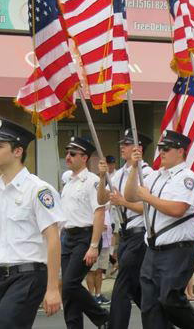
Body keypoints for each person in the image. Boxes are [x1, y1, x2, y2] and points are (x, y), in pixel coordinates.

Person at [0, 119, 64, 328]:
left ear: (17, 151)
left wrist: (53, 288)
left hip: (29, 276)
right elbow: (8, 236)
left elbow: (53, 240)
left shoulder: (38, 190)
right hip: (1, 277)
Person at [124, 130, 194, 329]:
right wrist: (134, 167)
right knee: (150, 307)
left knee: (170, 299)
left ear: (180, 152)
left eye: (167, 149)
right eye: (160, 148)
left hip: (177, 250)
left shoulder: (186, 177)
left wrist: (148, 197)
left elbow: (177, 209)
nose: (161, 152)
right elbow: (130, 195)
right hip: (154, 250)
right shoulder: (156, 176)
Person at [97, 128, 153, 329]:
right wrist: (103, 176)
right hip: (125, 236)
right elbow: (101, 200)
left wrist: (123, 202)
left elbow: (147, 207)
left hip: (139, 235)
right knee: (137, 289)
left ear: (138, 149)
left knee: (121, 286)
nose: (122, 146)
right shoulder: (119, 173)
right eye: (122, 143)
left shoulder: (147, 173)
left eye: (127, 144)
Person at [59, 136, 109, 329]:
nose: (67, 157)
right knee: (68, 291)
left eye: (72, 154)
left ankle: (103, 317)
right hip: (67, 236)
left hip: (84, 237)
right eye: (67, 153)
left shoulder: (93, 181)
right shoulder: (67, 180)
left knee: (70, 284)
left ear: (84, 157)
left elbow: (99, 212)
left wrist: (94, 246)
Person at [86, 208, 112, 305]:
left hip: (106, 243)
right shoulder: (93, 207)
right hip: (95, 244)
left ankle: (98, 294)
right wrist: (100, 226)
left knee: (100, 270)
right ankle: (91, 295)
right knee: (91, 270)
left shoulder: (106, 209)